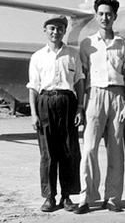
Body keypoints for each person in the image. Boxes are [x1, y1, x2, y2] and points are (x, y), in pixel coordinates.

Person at [74, 0, 125, 214]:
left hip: (117, 96)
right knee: (89, 149)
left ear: (115, 17)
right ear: (95, 15)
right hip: (94, 96)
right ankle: (86, 197)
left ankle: (112, 198)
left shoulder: (124, 44)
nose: (104, 18)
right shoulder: (87, 44)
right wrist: (81, 106)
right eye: (101, 14)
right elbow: (82, 77)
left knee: (115, 150)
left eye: (109, 14)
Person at [27, 15, 85, 213]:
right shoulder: (37, 56)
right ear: (45, 30)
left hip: (67, 102)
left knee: (69, 151)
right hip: (45, 102)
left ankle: (67, 196)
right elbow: (33, 88)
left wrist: (80, 107)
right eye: (52, 28)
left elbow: (79, 82)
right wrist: (34, 114)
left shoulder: (73, 54)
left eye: (60, 28)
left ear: (64, 31)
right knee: (48, 153)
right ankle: (49, 197)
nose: (55, 32)